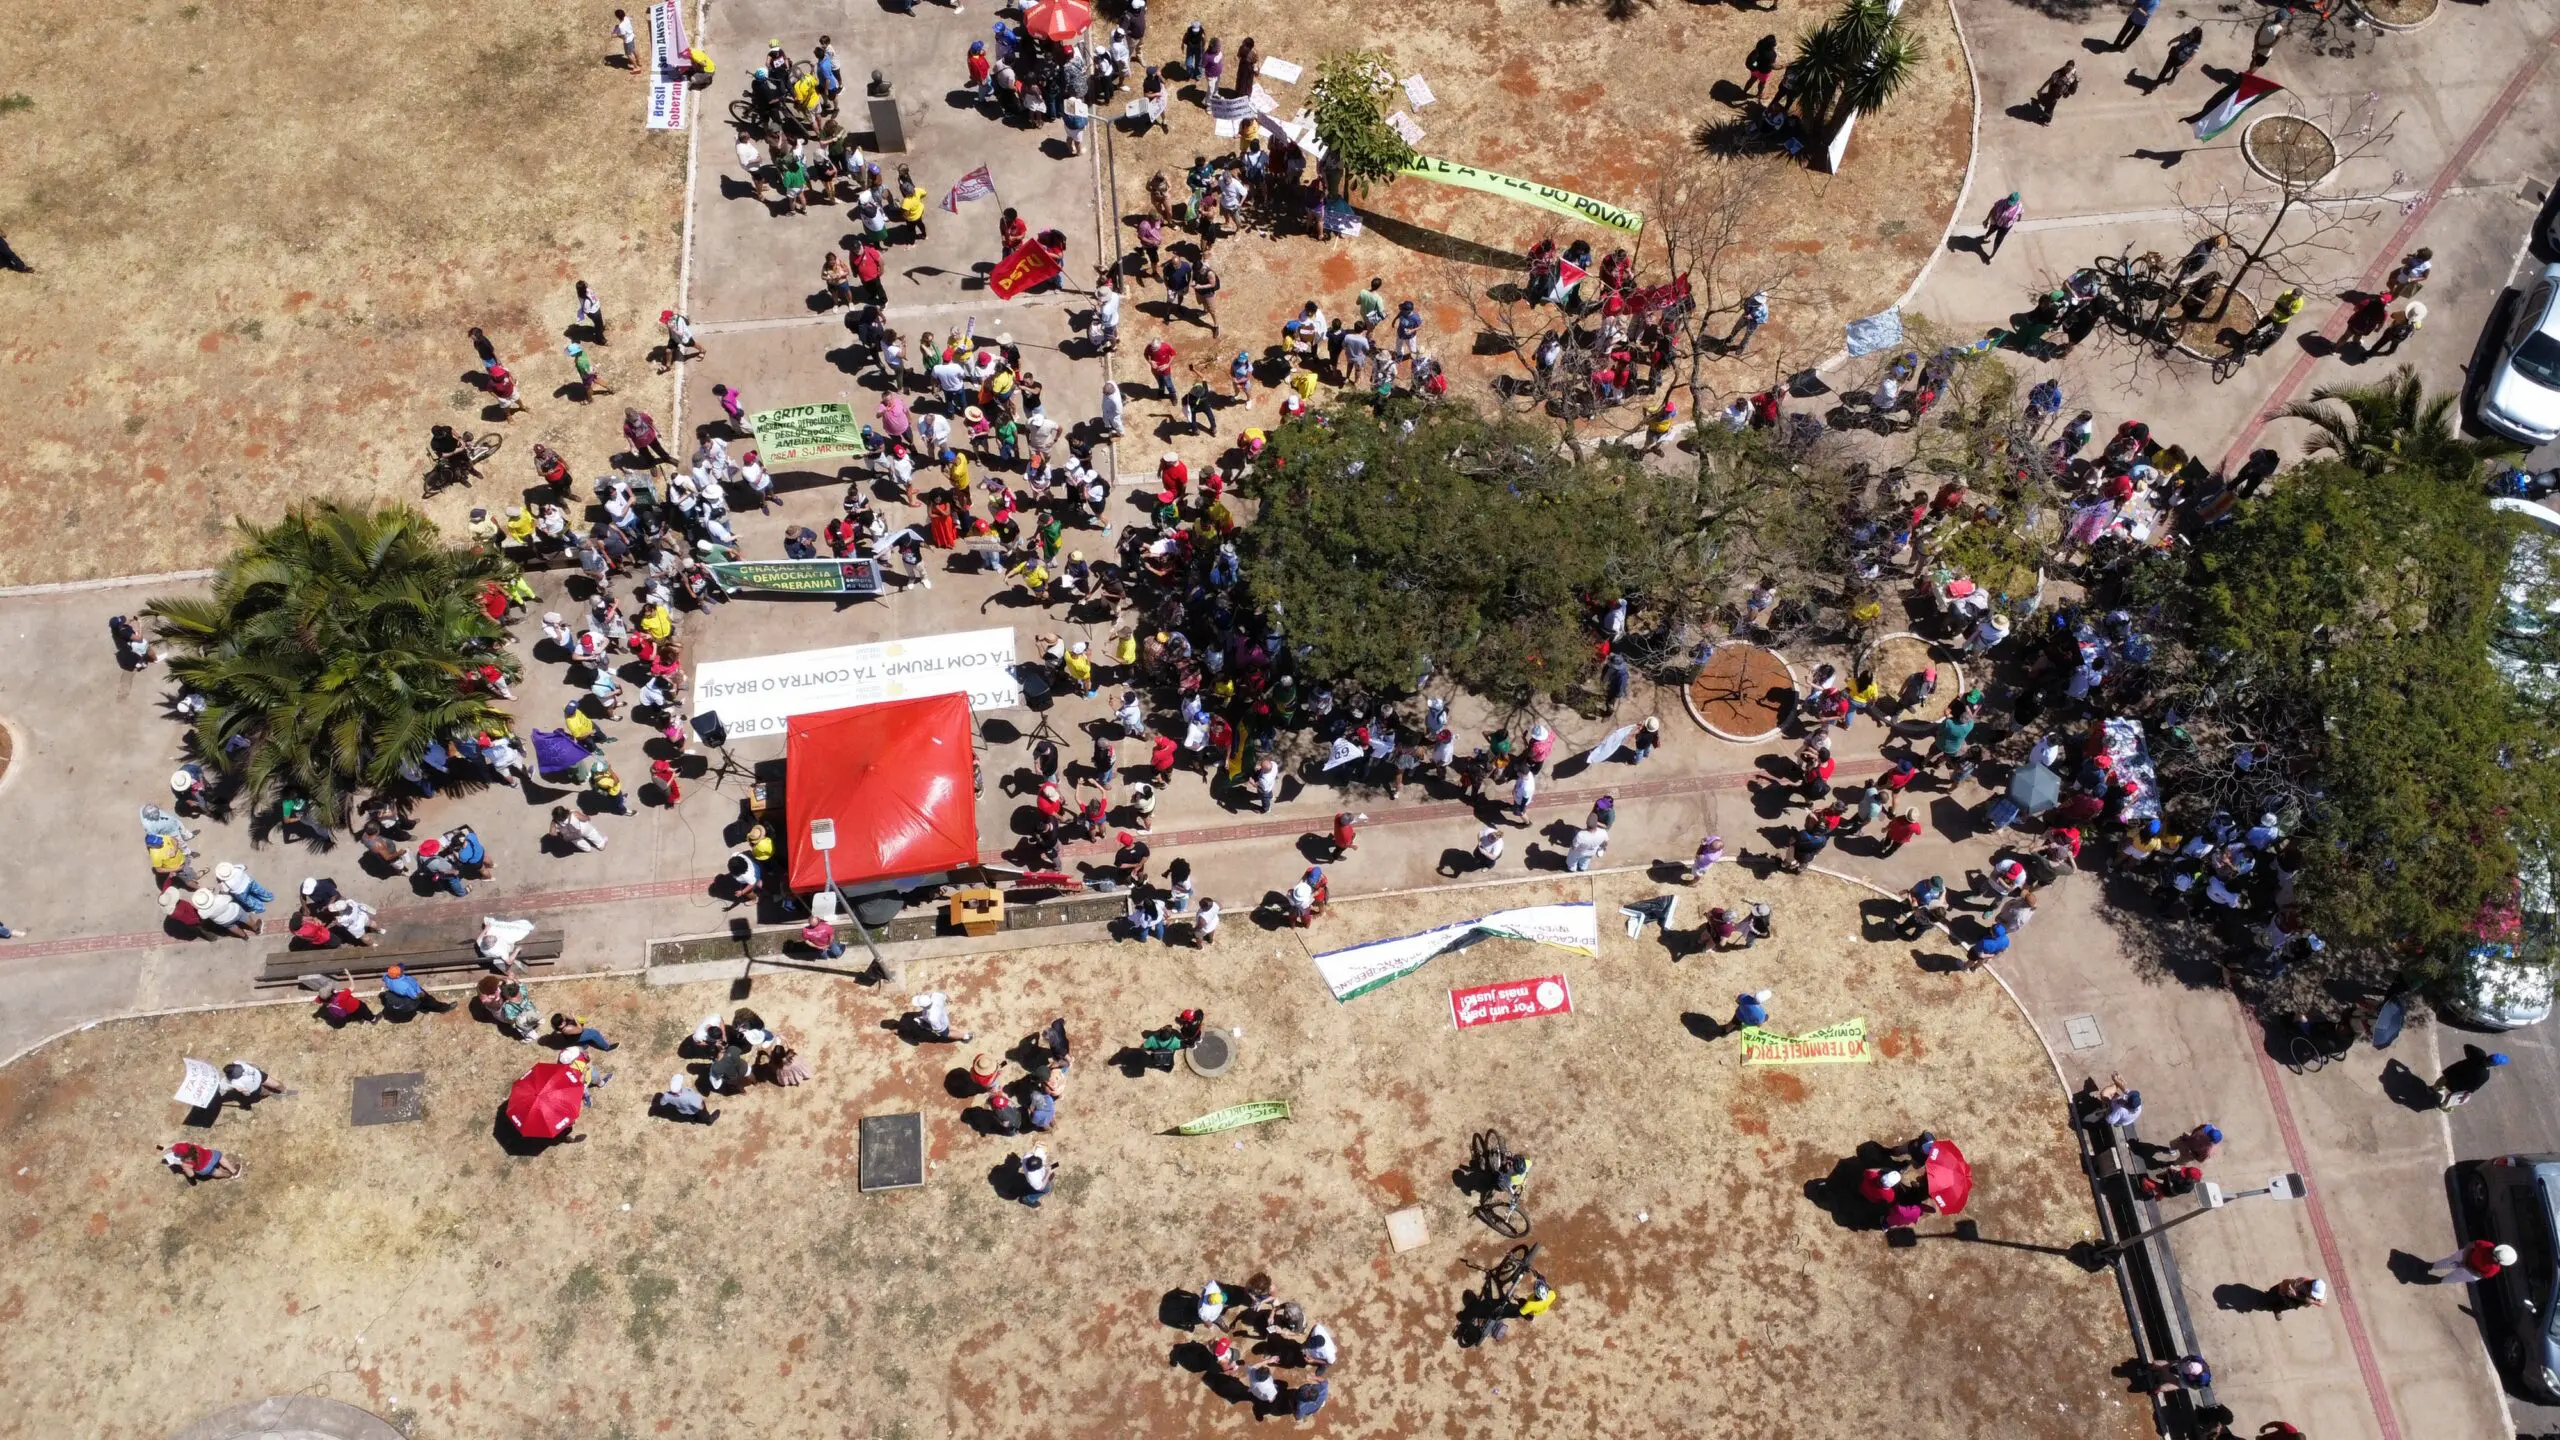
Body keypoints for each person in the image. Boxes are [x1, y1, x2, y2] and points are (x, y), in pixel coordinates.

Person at [2434, 1045, 2509, 1109]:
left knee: (2443, 1079)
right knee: (2462, 1097)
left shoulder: (2479, 1053)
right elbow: (2471, 1089)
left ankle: (2434, 1088)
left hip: (2452, 1073)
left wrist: (2469, 1058)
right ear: (2495, 1065)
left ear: (2490, 1055)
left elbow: (2466, 1046)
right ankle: (2443, 1105)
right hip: (2457, 1086)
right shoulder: (2485, 1076)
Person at [377, 965, 453, 1019]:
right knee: (430, 1001)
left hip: (403, 996)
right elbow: (414, 996)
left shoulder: (387, 977)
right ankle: (444, 1009)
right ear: (397, 976)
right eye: (400, 971)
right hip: (415, 994)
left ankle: (424, 1009)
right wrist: (421, 994)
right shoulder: (405, 985)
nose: (402, 971)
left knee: (420, 1005)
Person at [2431, 1239, 2515, 1283]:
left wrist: (2464, 1263)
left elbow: (2469, 1245)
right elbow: (2479, 1274)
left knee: (2448, 1262)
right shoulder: (2495, 1269)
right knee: (2450, 1278)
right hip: (2469, 1269)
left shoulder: (2488, 1245)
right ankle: (2438, 1280)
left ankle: (2432, 1267)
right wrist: (2465, 1265)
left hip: (2466, 1258)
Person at [653, 1074, 719, 1124]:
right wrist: (703, 1107)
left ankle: (693, 1120)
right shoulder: (688, 1096)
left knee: (690, 1116)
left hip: (682, 1110)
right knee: (703, 1115)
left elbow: (662, 1103)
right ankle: (709, 1121)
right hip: (694, 1110)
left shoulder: (667, 1096)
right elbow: (700, 1106)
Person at [908, 991, 973, 1043]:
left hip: (941, 1023)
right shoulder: (936, 996)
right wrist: (949, 1000)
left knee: (947, 1033)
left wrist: (926, 1025)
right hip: (943, 1015)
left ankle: (966, 1037)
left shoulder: (931, 1017)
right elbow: (945, 995)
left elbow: (939, 1029)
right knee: (949, 1026)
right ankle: (963, 1034)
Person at [161, 1141, 240, 1182]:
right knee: (220, 1157)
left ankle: (227, 1175)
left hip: (204, 1168)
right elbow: (182, 1142)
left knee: (215, 1172)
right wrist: (165, 1147)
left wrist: (177, 1162)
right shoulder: (192, 1145)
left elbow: (191, 1174)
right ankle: (234, 1171)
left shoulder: (185, 1163)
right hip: (211, 1156)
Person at [1979, 193, 2023, 262]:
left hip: (2005, 227)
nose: (2009, 204)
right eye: (2009, 201)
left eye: (2012, 203)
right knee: (1990, 230)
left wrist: (2019, 219)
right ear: (2008, 198)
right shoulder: (2001, 202)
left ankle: (1992, 255)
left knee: (1998, 241)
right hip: (1996, 221)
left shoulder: (2019, 207)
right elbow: (1993, 209)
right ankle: (1985, 237)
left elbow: (2020, 213)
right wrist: (1987, 219)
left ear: (2016, 202)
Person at [2264, 1276, 2328, 1314]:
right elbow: (2286, 1284)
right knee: (2276, 1295)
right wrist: (2293, 1294)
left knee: (2289, 1304)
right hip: (2289, 1291)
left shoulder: (2321, 1293)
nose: (2315, 1298)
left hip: (2297, 1300)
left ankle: (2277, 1309)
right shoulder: (2300, 1283)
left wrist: (2312, 1301)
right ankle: (2270, 1295)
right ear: (2310, 1287)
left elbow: (2322, 1303)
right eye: (2314, 1294)